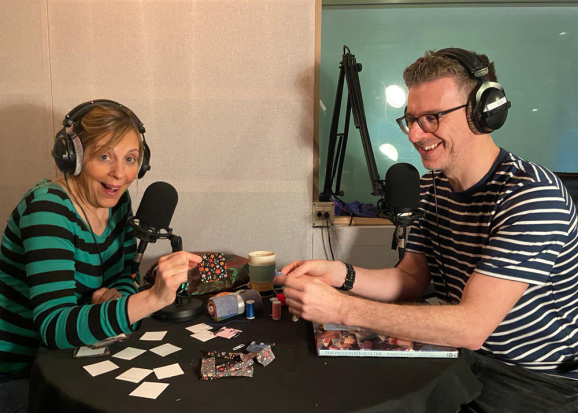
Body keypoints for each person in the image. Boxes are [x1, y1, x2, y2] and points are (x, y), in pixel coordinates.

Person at [275, 49, 578, 412]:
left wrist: (341, 308)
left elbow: (471, 325)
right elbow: (410, 278)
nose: (416, 134)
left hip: (536, 380)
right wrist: (339, 274)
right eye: (411, 120)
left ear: (483, 112)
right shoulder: (432, 186)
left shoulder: (532, 196)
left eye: (432, 118)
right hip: (465, 357)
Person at [0, 101, 201, 413]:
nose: (119, 174)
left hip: (76, 357)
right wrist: (152, 299)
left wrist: (117, 293)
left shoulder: (116, 200)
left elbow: (124, 272)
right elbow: (55, 328)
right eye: (105, 156)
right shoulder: (47, 211)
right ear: (74, 157)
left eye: (131, 159)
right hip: (22, 377)